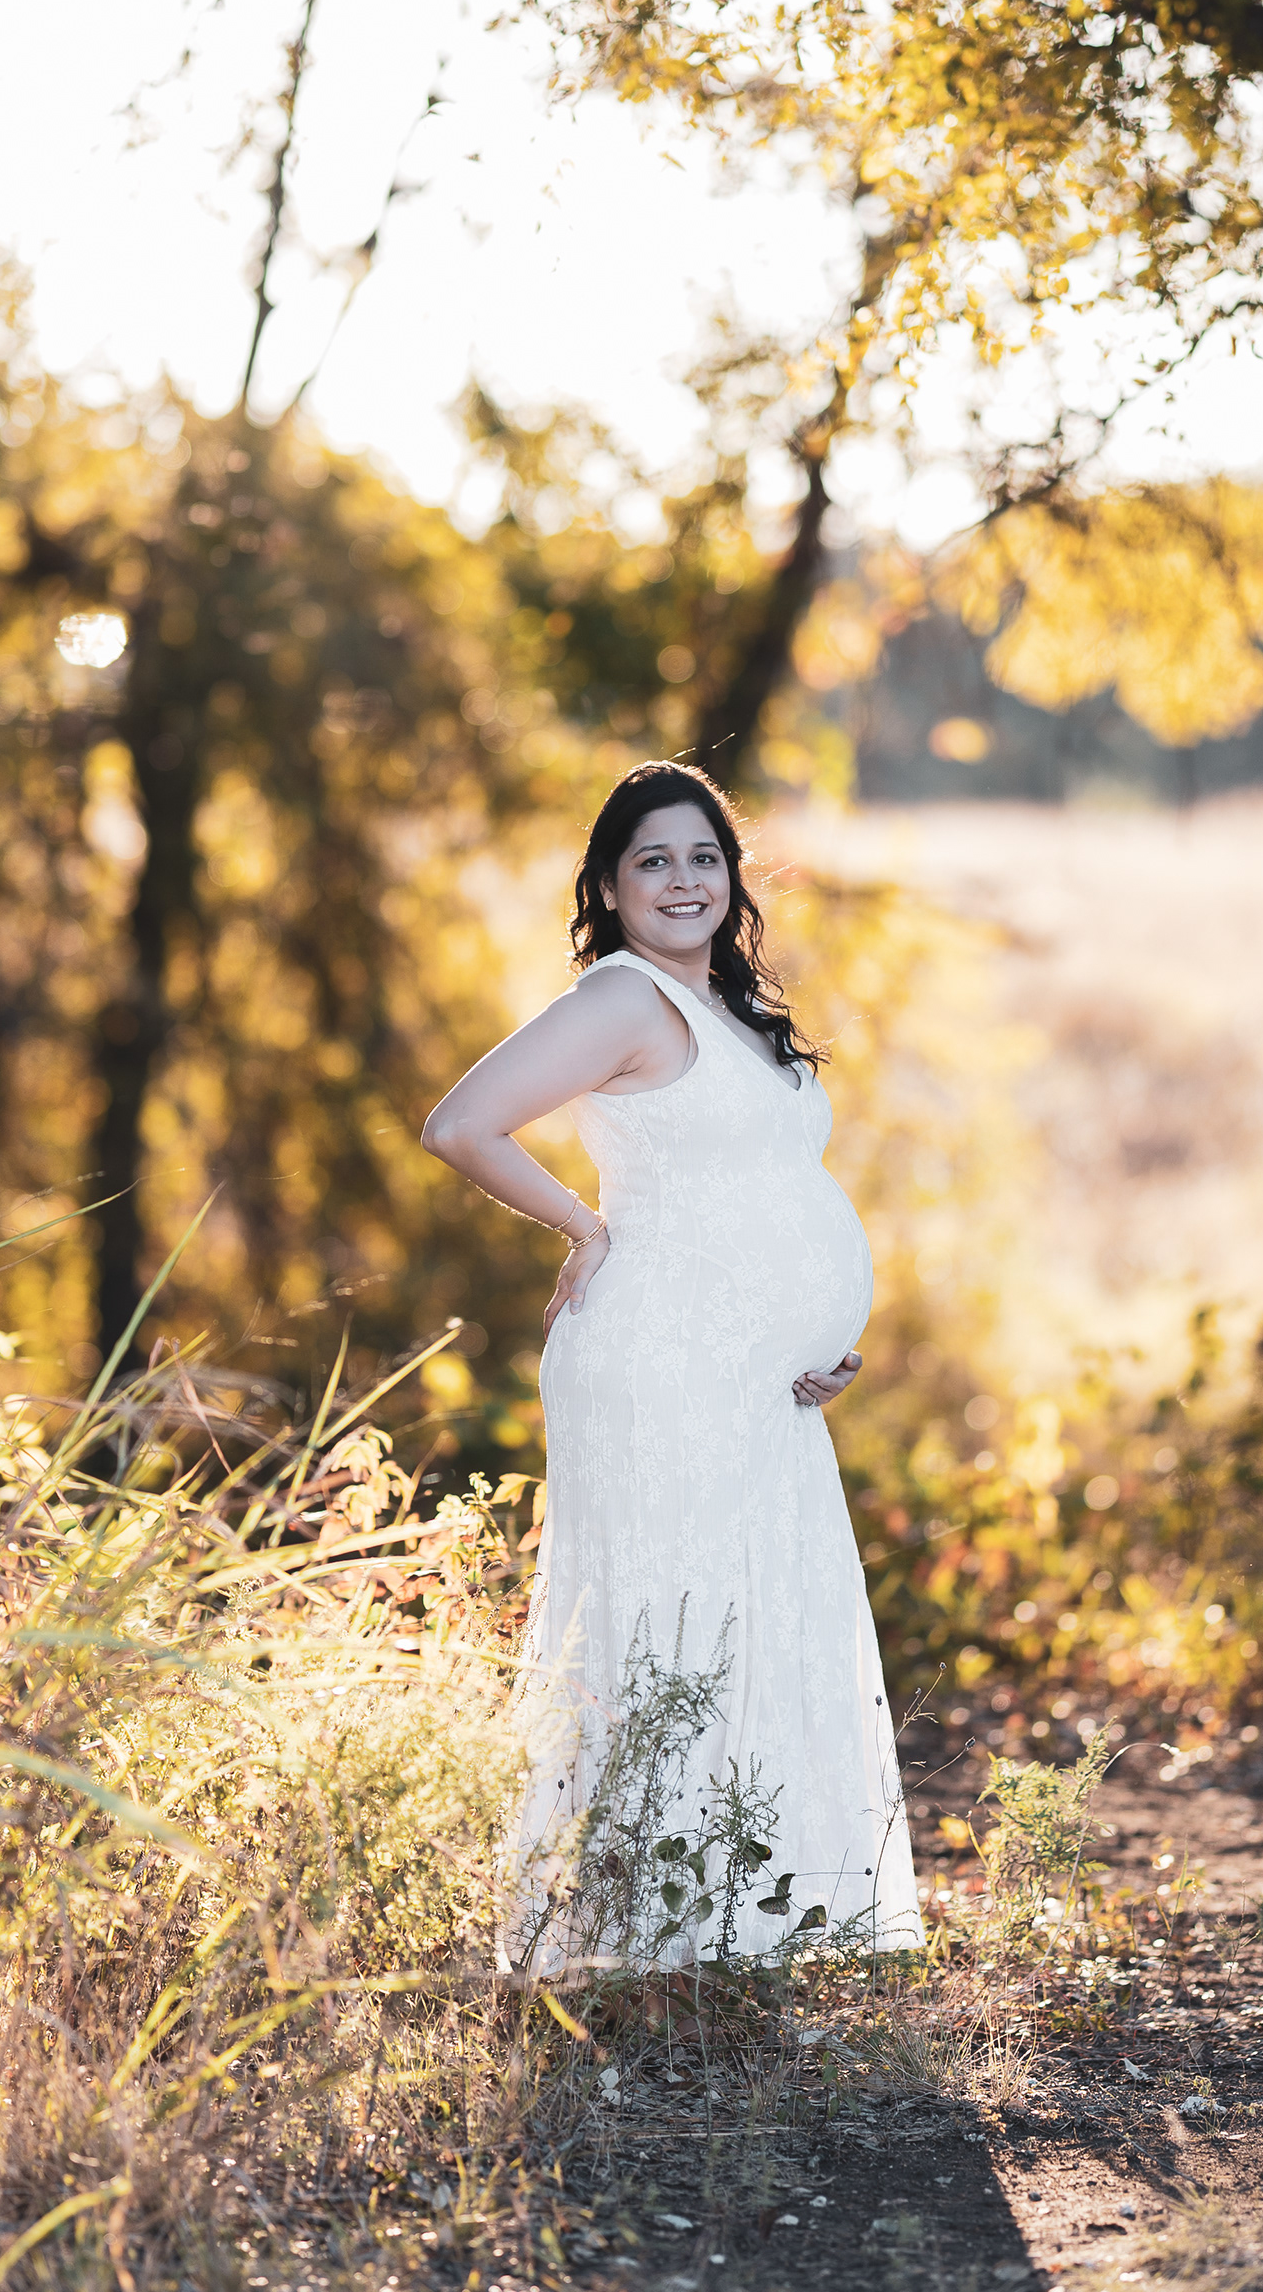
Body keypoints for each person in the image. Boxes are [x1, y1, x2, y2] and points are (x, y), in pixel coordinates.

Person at [421, 760, 923, 1969]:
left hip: (755, 1382)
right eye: (653, 860)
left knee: (752, 1616)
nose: (684, 880)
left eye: (705, 856)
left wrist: (816, 1335)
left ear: (733, 878)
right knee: (675, 1618)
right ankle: (648, 1941)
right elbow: (460, 1124)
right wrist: (586, 1227)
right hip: (659, 1362)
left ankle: (739, 1926)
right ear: (609, 885)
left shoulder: (731, 1007)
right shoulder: (624, 999)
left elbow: (757, 1191)